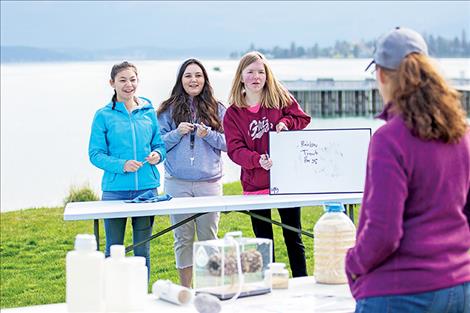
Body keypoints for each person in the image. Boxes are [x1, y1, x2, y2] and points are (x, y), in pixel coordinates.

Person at [345, 27, 470, 312]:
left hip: (400, 291)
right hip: (458, 286)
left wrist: (353, 262)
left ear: (381, 75)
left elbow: (384, 231)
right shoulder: (461, 135)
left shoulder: (389, 140)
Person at [223, 51, 311, 277]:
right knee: (263, 242)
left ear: (267, 75)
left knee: (294, 236)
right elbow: (234, 150)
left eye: (260, 72)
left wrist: (285, 122)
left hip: (286, 181)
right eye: (250, 72)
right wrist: (256, 161)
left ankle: (301, 284)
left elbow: (303, 119)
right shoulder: (233, 113)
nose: (256, 77)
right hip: (255, 184)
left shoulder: (280, 98)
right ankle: (269, 287)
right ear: (241, 76)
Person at [89, 61, 166, 278]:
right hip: (115, 191)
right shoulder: (103, 115)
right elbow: (95, 154)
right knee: (113, 251)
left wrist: (157, 155)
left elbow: (159, 145)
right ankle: (110, 300)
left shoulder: (149, 112)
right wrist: (121, 165)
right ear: (112, 83)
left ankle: (141, 300)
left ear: (138, 81)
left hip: (147, 191)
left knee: (142, 251)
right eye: (122, 80)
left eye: (132, 79)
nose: (128, 85)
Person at [157, 58, 227, 287]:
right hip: (177, 183)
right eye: (188, 75)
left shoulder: (217, 108)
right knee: (183, 238)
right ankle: (186, 289)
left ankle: (211, 290)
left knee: (209, 238)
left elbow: (230, 144)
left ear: (205, 79)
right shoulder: (167, 109)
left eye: (198, 75)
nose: (193, 80)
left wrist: (210, 136)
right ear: (180, 80)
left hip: (209, 183)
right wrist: (177, 133)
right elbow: (157, 145)